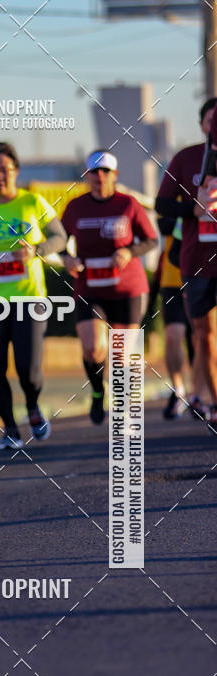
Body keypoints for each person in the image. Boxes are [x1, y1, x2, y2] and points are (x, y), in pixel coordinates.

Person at [0, 141, 67, 449]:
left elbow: (60, 237)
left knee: (28, 367)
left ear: (16, 171)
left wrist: (37, 250)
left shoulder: (34, 202)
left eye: (5, 170)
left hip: (30, 299)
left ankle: (33, 405)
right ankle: (10, 428)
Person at [61, 150, 158, 424]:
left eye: (105, 171)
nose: (99, 176)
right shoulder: (75, 207)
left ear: (114, 176)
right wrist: (65, 258)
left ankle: (123, 409)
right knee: (93, 349)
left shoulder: (128, 204)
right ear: (87, 176)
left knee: (120, 355)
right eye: (94, 172)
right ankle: (95, 390)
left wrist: (130, 251)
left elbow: (151, 240)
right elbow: (57, 240)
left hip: (127, 288)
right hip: (90, 287)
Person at [156, 97, 217, 429]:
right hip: (195, 262)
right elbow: (162, 206)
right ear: (203, 125)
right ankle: (210, 400)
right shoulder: (186, 158)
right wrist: (192, 209)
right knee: (203, 336)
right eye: (211, 120)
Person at [156, 216, 204, 419]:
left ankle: (199, 394)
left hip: (204, 276)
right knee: (173, 335)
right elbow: (163, 222)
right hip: (173, 279)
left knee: (202, 338)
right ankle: (178, 390)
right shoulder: (176, 190)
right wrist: (189, 210)